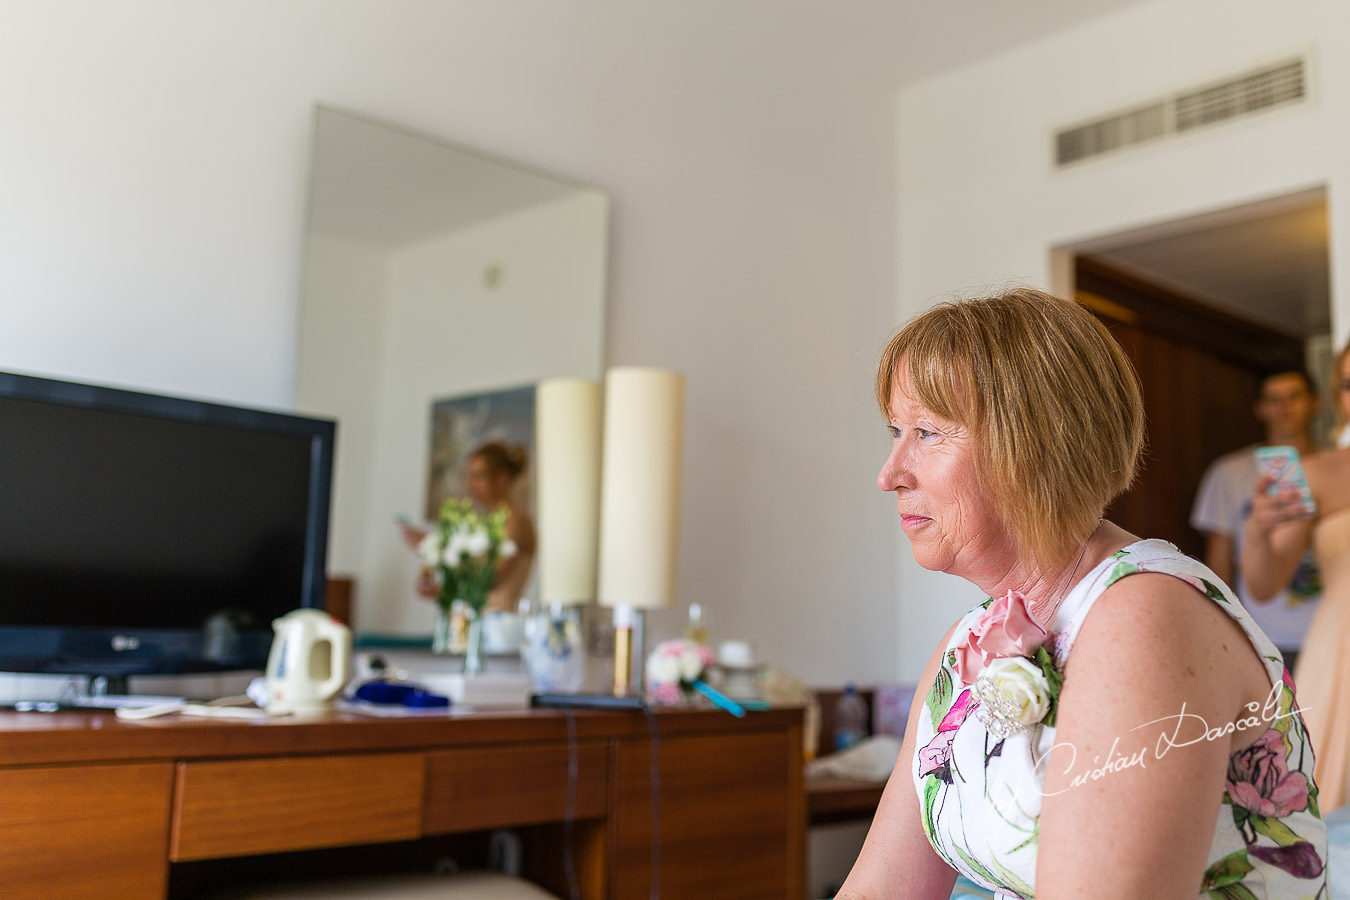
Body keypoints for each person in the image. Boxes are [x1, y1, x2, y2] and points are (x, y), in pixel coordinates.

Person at [841, 289, 1325, 900]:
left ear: (1034, 445)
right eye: (894, 431)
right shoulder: (967, 643)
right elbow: (881, 889)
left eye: (928, 433)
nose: (890, 474)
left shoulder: (1147, 619)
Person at [1244, 343, 1350, 811]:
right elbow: (1266, 585)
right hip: (1341, 654)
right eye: (1348, 385)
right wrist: (1256, 528)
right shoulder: (1311, 473)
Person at [1191, 368, 1322, 673]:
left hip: (1329, 625)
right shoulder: (1229, 473)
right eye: (1274, 399)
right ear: (1260, 409)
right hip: (1261, 633)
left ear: (1315, 402)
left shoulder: (1335, 470)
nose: (1284, 407)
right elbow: (1218, 563)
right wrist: (1224, 632)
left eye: (1294, 396)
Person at [400, 441, 537, 613]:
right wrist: (438, 584)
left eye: (479, 476)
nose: (471, 485)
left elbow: (488, 580)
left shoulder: (515, 520)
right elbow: (472, 584)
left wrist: (437, 548)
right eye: (469, 476)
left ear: (503, 478)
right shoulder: (488, 521)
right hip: (473, 622)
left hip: (497, 624)